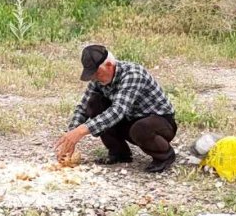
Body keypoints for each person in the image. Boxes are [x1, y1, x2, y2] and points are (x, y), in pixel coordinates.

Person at [54, 44, 177, 173]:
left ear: (109, 65)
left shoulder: (133, 74)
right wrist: (71, 135)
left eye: (97, 73)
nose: (94, 78)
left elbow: (118, 111)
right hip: (131, 120)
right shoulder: (98, 80)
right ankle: (119, 154)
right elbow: (83, 107)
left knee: (140, 128)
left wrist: (81, 131)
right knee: (94, 103)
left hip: (159, 124)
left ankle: (165, 155)